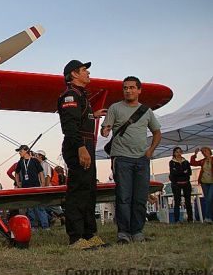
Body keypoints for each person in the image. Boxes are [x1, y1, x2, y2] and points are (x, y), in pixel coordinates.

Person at [101, 76, 161, 244]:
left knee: (140, 197)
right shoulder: (115, 108)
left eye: (132, 87)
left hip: (142, 159)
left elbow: (157, 132)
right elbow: (105, 128)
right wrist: (105, 131)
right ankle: (123, 233)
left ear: (139, 90)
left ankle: (137, 232)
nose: (128, 90)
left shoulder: (147, 111)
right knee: (124, 197)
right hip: (121, 158)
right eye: (125, 88)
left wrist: (150, 151)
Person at [58, 60, 108, 249]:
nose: (87, 72)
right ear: (74, 75)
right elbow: (70, 127)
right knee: (78, 192)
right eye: (83, 70)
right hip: (77, 145)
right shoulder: (70, 95)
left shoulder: (80, 95)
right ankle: (76, 238)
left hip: (86, 144)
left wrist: (92, 115)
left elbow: (78, 118)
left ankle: (89, 235)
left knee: (89, 191)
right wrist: (80, 148)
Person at [14, 147, 48, 230]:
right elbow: (17, 172)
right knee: (30, 208)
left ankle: (45, 226)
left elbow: (40, 172)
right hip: (25, 187)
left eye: (21, 151)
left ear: (26, 151)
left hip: (36, 186)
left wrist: (43, 184)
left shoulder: (34, 161)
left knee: (40, 206)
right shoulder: (20, 162)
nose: (19, 153)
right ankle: (33, 226)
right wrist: (18, 182)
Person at [169, 147, 193, 223]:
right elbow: (173, 173)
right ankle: (177, 220)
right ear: (174, 153)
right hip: (176, 184)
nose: (178, 153)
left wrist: (179, 171)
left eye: (180, 152)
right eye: (177, 152)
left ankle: (190, 219)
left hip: (186, 183)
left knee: (188, 201)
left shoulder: (186, 162)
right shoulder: (171, 162)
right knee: (177, 202)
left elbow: (189, 172)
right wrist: (183, 171)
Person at [190, 147, 213, 223]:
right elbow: (193, 163)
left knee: (210, 199)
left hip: (212, 182)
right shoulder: (203, 161)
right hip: (204, 182)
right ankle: (209, 218)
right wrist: (195, 154)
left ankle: (207, 217)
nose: (204, 153)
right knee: (208, 200)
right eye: (202, 152)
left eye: (205, 151)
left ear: (209, 151)